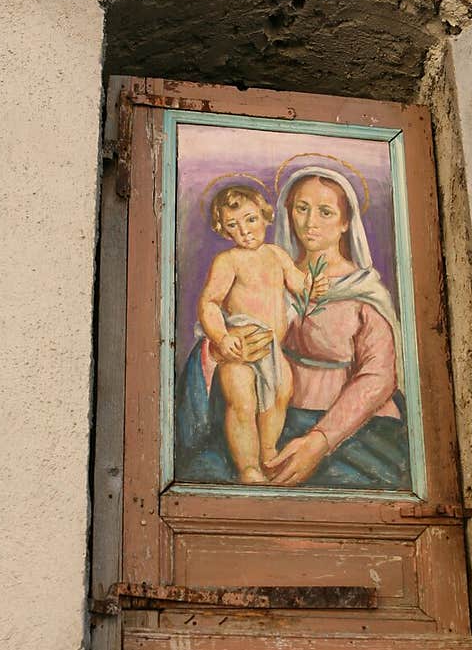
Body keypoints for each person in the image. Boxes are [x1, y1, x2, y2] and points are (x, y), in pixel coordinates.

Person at [175, 162, 410, 491]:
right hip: (266, 416)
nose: (310, 222)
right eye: (302, 208)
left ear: (346, 221)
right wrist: (219, 346)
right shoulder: (271, 270)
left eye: (325, 212)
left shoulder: (363, 292)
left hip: (350, 431)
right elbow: (212, 316)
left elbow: (379, 377)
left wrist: (319, 441)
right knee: (205, 472)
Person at [195, 184, 323, 483]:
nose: (245, 231)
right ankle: (248, 467)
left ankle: (267, 453)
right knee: (242, 404)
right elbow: (210, 303)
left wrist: (311, 287)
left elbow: (298, 284)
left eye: (251, 219)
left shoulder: (277, 255)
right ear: (224, 231)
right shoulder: (228, 261)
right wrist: (222, 337)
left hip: (272, 350)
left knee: (280, 396)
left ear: (265, 217)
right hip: (241, 349)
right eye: (233, 225)